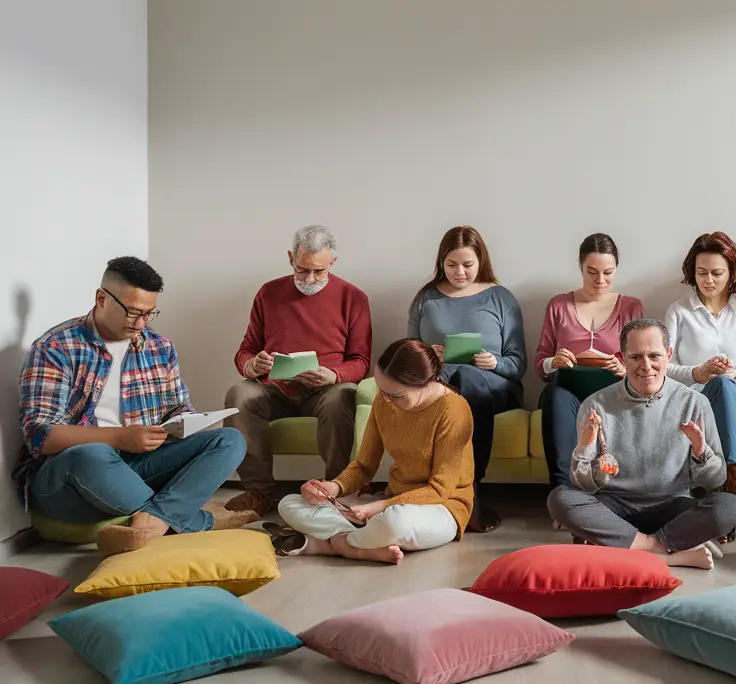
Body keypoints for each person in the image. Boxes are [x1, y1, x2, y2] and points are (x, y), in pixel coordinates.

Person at [15, 257, 253, 555]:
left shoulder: (158, 347)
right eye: (133, 312)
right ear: (101, 298)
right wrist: (119, 437)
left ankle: (153, 520)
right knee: (94, 454)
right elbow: (40, 436)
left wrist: (186, 424)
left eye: (149, 314)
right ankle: (194, 517)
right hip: (70, 479)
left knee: (229, 440)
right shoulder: (55, 347)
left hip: (138, 467)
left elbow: (179, 409)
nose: (140, 323)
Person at [547, 319, 736, 569]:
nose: (646, 366)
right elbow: (582, 483)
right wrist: (586, 450)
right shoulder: (595, 405)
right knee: (560, 498)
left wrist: (700, 451)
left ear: (668, 355)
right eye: (636, 357)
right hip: (615, 507)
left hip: (673, 506)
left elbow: (715, 481)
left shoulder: (695, 403)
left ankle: (626, 547)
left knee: (730, 506)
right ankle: (665, 553)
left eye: (654, 356)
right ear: (622, 358)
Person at [268, 339, 475, 565]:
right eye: (381, 390)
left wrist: (377, 508)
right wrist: (333, 487)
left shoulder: (454, 410)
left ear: (425, 383)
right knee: (289, 503)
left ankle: (330, 543)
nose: (386, 400)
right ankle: (358, 546)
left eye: (395, 395)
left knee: (395, 522)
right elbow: (364, 466)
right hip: (388, 506)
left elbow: (440, 490)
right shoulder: (384, 400)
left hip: (441, 508)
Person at [223, 225, 372, 517]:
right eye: (302, 270)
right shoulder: (269, 293)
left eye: (319, 271)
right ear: (291, 257)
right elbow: (246, 349)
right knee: (239, 393)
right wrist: (251, 366)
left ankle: (334, 489)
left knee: (343, 396)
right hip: (274, 387)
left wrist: (335, 375)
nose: (310, 279)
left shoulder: (353, 297)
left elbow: (361, 360)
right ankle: (258, 491)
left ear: (333, 262)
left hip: (326, 388)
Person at [407, 226, 524, 534]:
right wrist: (429, 357)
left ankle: (472, 487)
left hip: (493, 387)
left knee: (469, 377)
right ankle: (436, 491)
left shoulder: (501, 297)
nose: (460, 272)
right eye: (451, 265)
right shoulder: (426, 299)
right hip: (443, 384)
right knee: (445, 392)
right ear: (441, 264)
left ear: (480, 261)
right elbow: (407, 360)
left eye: (468, 265)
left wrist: (494, 362)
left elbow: (518, 363)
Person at [663, 232, 736, 532]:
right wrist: (698, 373)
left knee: (724, 386)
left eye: (717, 273)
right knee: (714, 387)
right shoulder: (678, 312)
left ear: (732, 272)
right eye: (701, 273)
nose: (708, 280)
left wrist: (730, 374)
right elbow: (663, 367)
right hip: (693, 397)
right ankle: (728, 491)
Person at [535, 233, 643, 489]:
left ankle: (617, 493)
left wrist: (625, 369)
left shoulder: (630, 306)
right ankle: (563, 492)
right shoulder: (559, 305)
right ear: (580, 267)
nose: (600, 280)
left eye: (608, 272)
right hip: (567, 389)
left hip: (613, 390)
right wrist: (554, 361)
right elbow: (540, 365)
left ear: (617, 267)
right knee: (554, 395)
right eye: (591, 271)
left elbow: (641, 362)